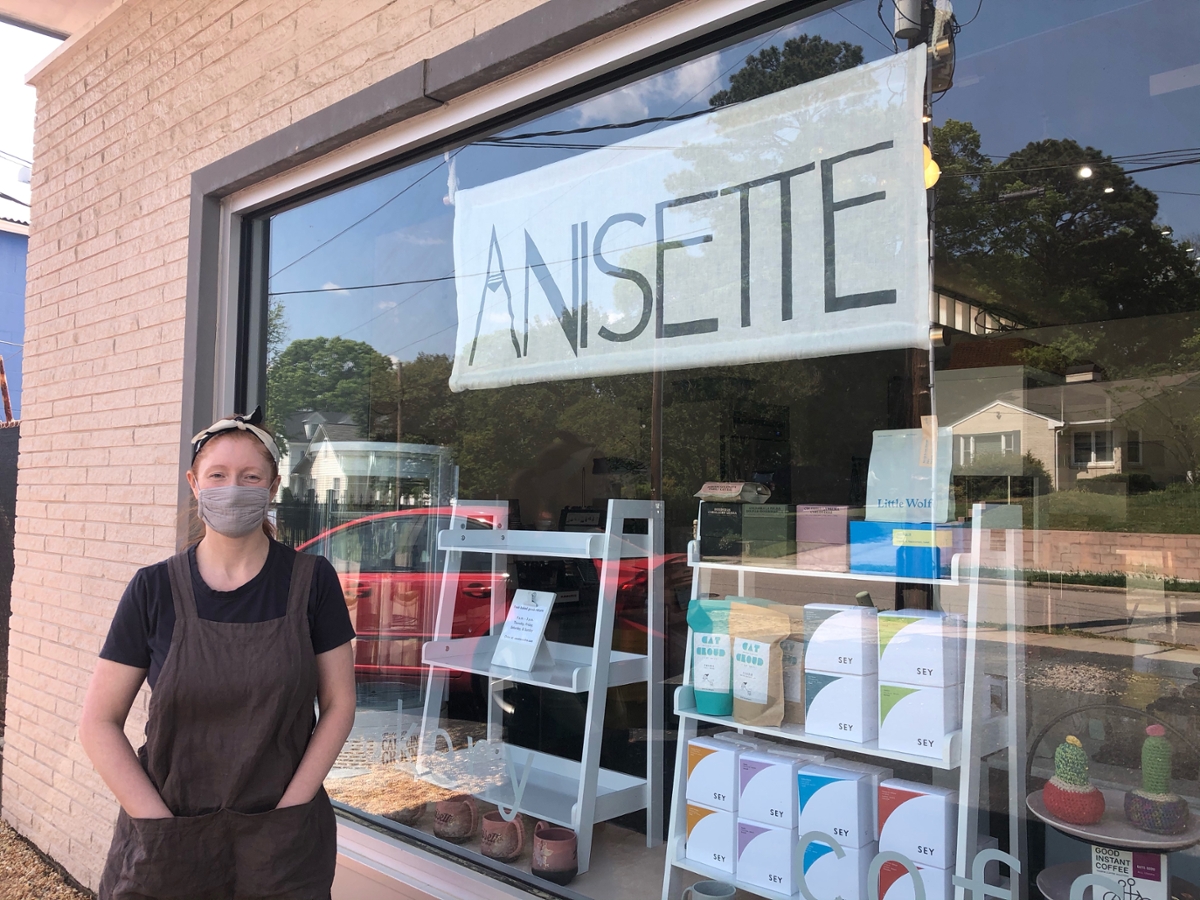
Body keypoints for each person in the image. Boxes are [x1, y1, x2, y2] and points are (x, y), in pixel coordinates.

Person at [80, 409, 357, 900]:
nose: (235, 488)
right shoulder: (153, 589)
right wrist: (158, 825)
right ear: (194, 483)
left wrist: (290, 812)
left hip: (283, 844)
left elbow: (338, 706)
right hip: (167, 838)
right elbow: (98, 722)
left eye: (251, 477)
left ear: (272, 486)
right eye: (219, 475)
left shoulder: (313, 583)